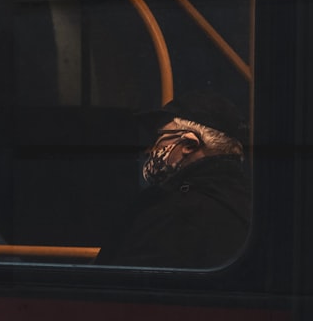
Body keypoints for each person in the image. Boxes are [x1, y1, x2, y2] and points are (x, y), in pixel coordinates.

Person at [96, 91, 251, 268]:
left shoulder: (172, 212)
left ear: (189, 145)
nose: (149, 150)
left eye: (159, 137)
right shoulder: (250, 204)